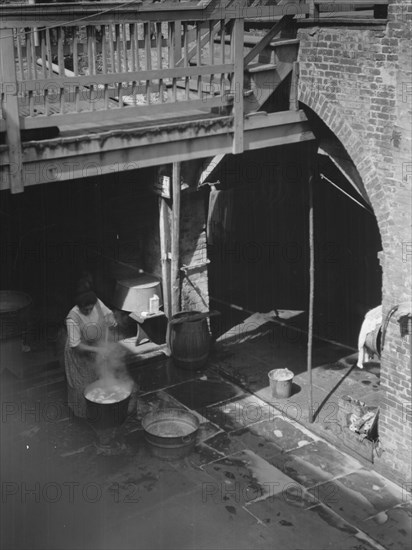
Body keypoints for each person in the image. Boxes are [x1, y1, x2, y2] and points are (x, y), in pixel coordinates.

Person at [64, 288, 118, 418]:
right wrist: (99, 350)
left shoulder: (97, 304)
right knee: (82, 385)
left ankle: (101, 410)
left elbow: (109, 316)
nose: (89, 311)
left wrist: (111, 320)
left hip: (96, 345)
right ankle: (83, 415)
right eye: (85, 309)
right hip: (80, 353)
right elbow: (76, 346)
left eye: (90, 308)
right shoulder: (72, 318)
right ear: (79, 306)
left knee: (99, 378)